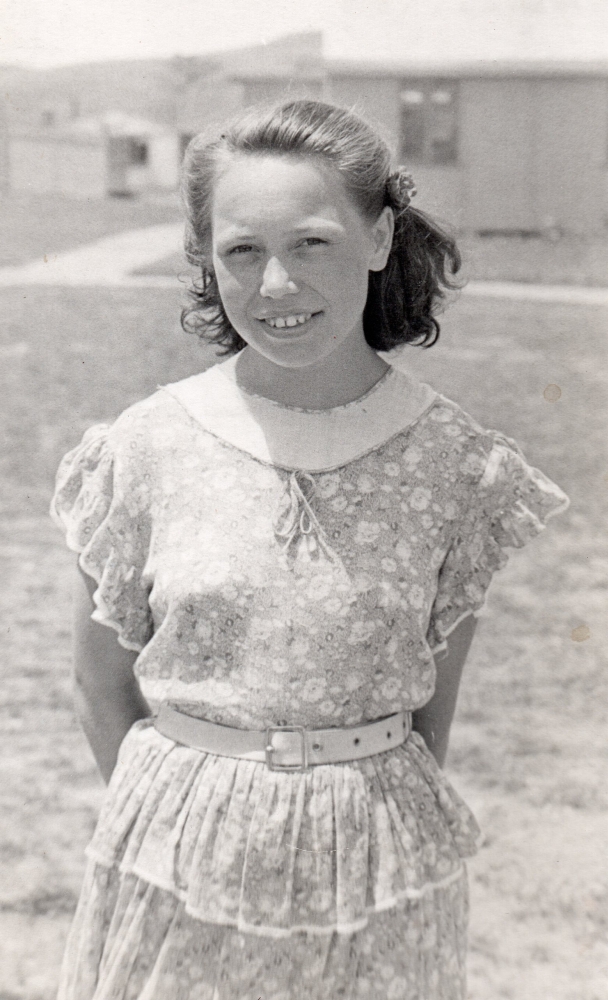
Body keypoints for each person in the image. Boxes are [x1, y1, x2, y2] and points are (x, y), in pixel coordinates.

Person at [50, 100, 569, 1000]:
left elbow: (431, 714)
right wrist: (186, 813)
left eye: (314, 242)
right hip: (176, 862)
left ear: (379, 238)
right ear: (208, 261)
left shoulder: (457, 468)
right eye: (242, 251)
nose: (277, 284)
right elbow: (102, 685)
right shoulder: (143, 448)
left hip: (379, 873)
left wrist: (344, 823)